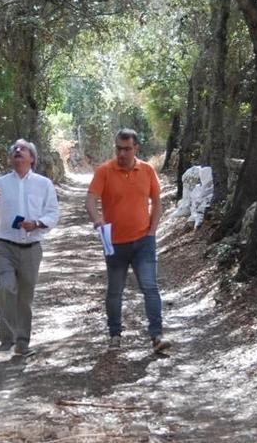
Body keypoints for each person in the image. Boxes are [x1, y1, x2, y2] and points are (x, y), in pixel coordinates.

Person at [85, 128, 171, 353]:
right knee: (115, 290)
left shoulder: (148, 170)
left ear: (136, 149)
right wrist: (97, 219)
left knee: (150, 287)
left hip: (143, 241)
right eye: (119, 149)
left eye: (127, 149)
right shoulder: (104, 171)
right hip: (114, 243)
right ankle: (115, 335)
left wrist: (152, 230)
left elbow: (156, 201)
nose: (122, 153)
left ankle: (157, 336)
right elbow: (91, 199)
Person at [0, 139, 59, 356]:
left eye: (23, 149)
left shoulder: (44, 184)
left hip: (32, 247)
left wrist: (37, 223)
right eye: (14, 150)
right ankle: (7, 337)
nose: (17, 151)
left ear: (32, 158)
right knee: (6, 288)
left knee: (25, 296)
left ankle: (22, 341)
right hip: (5, 246)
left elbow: (52, 214)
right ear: (11, 159)